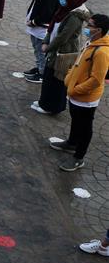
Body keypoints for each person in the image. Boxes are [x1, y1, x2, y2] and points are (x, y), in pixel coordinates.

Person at [51, 14, 109, 171]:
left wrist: (76, 89)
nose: (86, 28)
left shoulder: (102, 52)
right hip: (76, 94)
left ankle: (78, 157)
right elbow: (79, 63)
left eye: (90, 25)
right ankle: (71, 143)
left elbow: (97, 80)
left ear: (99, 30)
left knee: (85, 127)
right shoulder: (91, 42)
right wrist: (70, 77)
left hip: (86, 97)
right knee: (76, 120)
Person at [32, 0, 89, 114]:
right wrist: (46, 41)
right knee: (48, 76)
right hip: (54, 49)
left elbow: (63, 37)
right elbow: (52, 27)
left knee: (56, 80)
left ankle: (51, 107)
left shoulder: (75, 17)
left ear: (72, 0)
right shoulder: (64, 10)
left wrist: (48, 47)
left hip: (62, 53)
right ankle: (44, 102)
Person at [23, 0, 66, 84]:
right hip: (36, 19)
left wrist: (35, 22)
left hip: (42, 25)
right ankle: (40, 67)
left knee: (41, 49)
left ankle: (43, 73)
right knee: (36, 47)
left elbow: (48, 10)